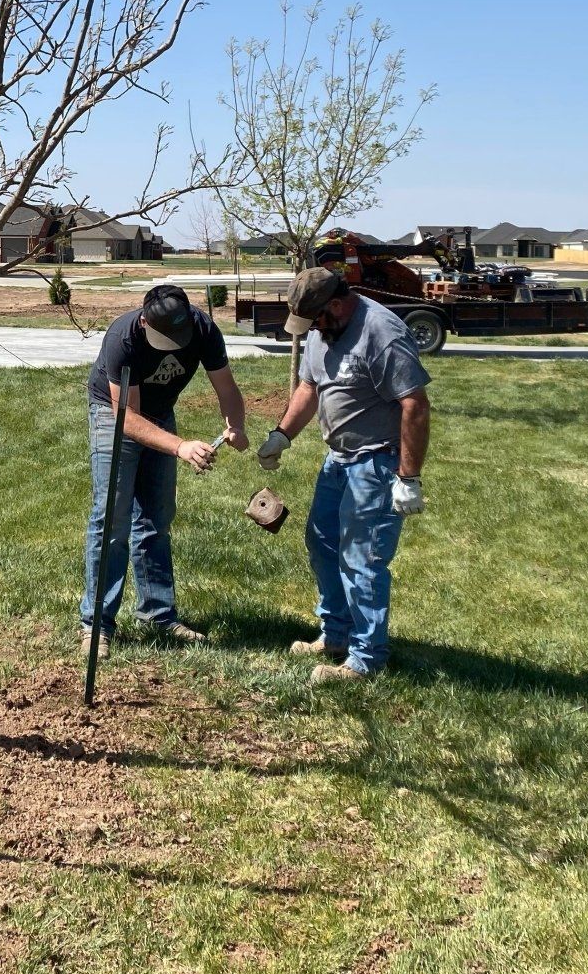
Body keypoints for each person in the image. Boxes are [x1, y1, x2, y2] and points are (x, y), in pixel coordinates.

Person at [256, 268, 431, 682]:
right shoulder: (323, 330)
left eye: (316, 320)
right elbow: (309, 387)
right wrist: (282, 434)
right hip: (338, 460)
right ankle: (336, 634)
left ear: (336, 305)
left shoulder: (381, 333)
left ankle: (367, 658)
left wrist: (408, 478)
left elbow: (415, 404)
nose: (313, 329)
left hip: (377, 462)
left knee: (362, 558)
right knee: (322, 544)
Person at [80, 282, 249, 655]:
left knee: (156, 518)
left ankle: (159, 615)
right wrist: (180, 447)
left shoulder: (202, 328)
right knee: (112, 519)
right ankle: (97, 625)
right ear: (144, 322)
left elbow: (226, 388)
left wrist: (235, 425)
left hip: (159, 412)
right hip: (115, 414)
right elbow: (128, 419)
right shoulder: (123, 339)